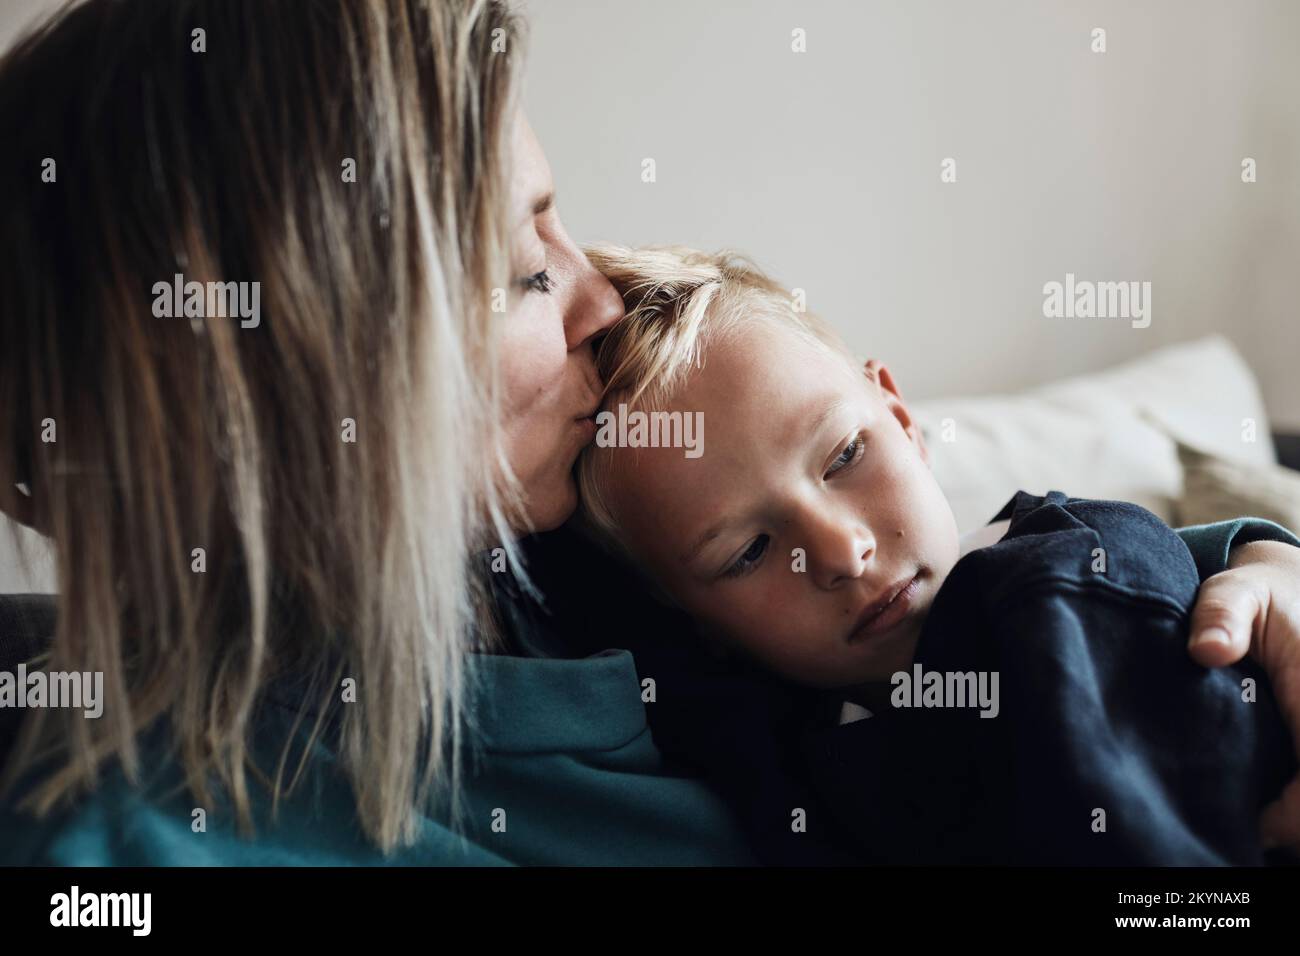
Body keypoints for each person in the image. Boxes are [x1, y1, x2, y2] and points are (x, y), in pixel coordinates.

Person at [0, 1, 1298, 866]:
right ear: (302, 388)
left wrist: (1258, 562)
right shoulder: (146, 848)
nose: (599, 299)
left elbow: (1024, 590)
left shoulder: (556, 567)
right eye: (520, 268)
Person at [573, 245, 1300, 863]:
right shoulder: (777, 733)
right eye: (749, 551)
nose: (842, 552)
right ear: (692, 619)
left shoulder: (1059, 588)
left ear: (900, 415)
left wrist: (1264, 548)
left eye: (846, 454)